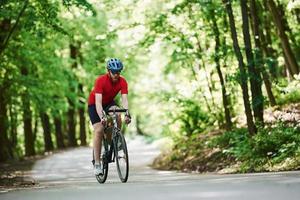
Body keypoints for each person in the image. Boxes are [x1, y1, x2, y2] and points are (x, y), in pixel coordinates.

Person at [88, 58, 131, 176]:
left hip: (109, 103)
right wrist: (102, 116)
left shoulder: (122, 81)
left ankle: (115, 138)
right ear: (108, 71)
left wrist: (127, 113)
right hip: (95, 104)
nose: (116, 75)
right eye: (114, 72)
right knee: (99, 130)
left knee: (118, 113)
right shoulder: (101, 80)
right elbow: (98, 102)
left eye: (118, 72)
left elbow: (124, 99)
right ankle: (97, 163)